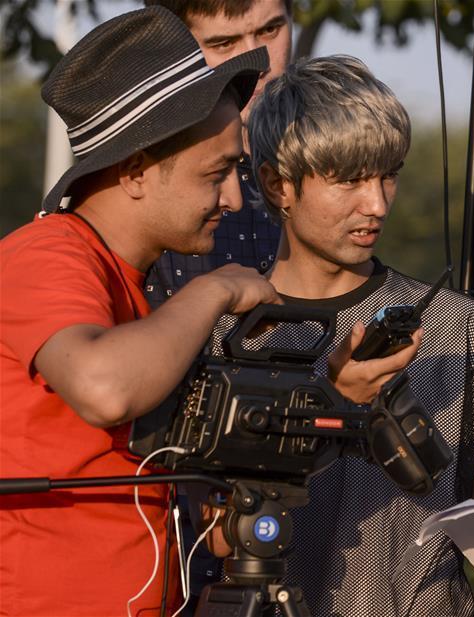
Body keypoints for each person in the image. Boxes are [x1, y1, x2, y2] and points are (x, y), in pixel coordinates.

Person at [206, 54, 474, 616]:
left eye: (388, 173)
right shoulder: (225, 337)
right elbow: (216, 536)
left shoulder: (459, 329)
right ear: (277, 184)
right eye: (349, 180)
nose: (378, 203)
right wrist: (334, 409)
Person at [0, 7, 278, 615]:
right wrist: (214, 292)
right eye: (217, 173)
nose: (233, 198)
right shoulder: (44, 254)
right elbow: (103, 387)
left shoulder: (132, 283)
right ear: (133, 172)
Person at [141, 0, 292, 308]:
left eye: (270, 29)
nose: (258, 63)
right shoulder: (142, 178)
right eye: (224, 43)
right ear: (173, 49)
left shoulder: (329, 159)